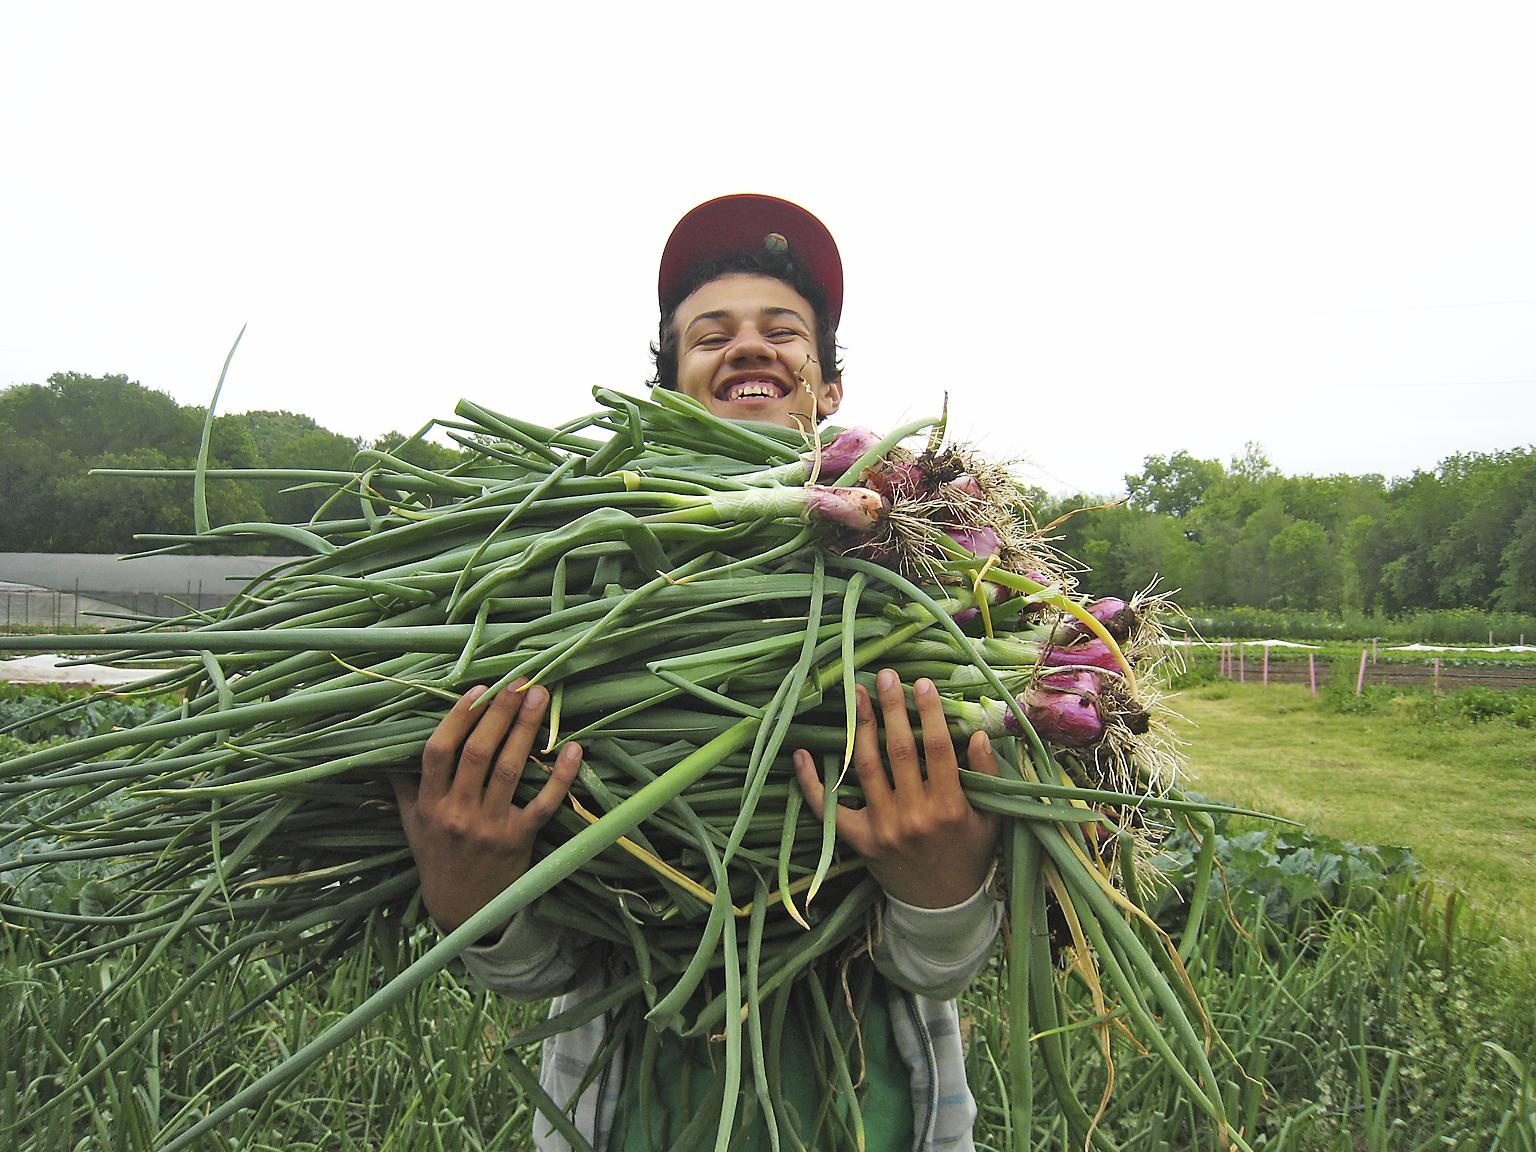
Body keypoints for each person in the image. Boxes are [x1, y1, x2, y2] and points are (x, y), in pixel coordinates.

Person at [393, 194, 1006, 1151]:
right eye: (709, 335)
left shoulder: (929, 575)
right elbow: (549, 970)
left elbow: (947, 968)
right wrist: (474, 895)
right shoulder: (574, 571)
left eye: (784, 332)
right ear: (672, 387)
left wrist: (941, 888)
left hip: (879, 1110)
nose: (748, 348)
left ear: (832, 389)